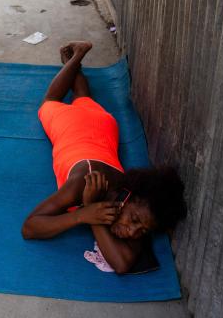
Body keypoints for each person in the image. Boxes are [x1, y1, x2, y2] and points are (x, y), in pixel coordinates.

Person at [21, 41, 187, 274]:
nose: (131, 232)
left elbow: (122, 263)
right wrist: (80, 215)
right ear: (128, 198)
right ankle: (76, 56)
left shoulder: (133, 206)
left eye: (141, 231)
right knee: (50, 102)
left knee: (83, 97)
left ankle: (75, 61)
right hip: (74, 129)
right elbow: (29, 227)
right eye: (135, 221)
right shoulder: (83, 184)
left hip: (104, 128)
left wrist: (91, 210)